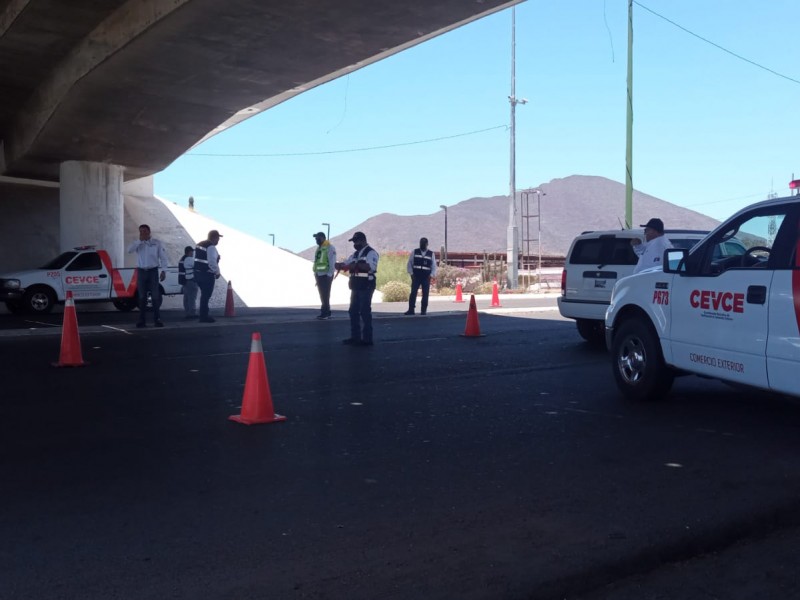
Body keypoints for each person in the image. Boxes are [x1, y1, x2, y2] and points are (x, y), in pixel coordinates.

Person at [335, 231, 379, 346]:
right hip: (355, 285)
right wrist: (339, 265)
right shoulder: (355, 255)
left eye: (356, 241)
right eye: (353, 242)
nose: (354, 244)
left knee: (364, 311)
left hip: (366, 285)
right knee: (353, 311)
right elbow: (346, 263)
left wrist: (356, 266)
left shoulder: (371, 253)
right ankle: (355, 337)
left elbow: (371, 267)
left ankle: (367, 339)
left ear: (363, 240)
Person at [127, 224, 169, 328]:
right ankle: (142, 321)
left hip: (153, 271)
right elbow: (129, 250)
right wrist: (139, 241)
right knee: (141, 297)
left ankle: (157, 320)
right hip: (141, 271)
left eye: (145, 231)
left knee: (155, 296)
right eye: (141, 232)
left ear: (149, 232)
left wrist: (164, 271)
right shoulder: (137, 244)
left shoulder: (156, 243)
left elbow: (163, 257)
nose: (143, 233)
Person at [194, 230, 223, 323]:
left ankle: (203, 314)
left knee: (204, 295)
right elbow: (211, 261)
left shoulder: (199, 244)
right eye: (218, 238)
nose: (218, 240)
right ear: (214, 238)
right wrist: (217, 272)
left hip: (197, 273)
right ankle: (204, 316)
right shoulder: (211, 247)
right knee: (206, 296)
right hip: (207, 274)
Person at [404, 237, 437, 315]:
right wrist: (411, 274)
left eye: (424, 243)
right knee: (413, 293)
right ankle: (411, 310)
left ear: (427, 244)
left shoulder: (431, 254)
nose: (422, 245)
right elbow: (409, 264)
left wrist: (431, 275)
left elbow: (434, 266)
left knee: (425, 294)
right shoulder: (414, 252)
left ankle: (423, 310)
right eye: (421, 243)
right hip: (416, 276)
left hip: (426, 277)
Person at [312, 231, 337, 320]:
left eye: (317, 238)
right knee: (322, 294)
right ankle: (325, 311)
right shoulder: (319, 248)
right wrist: (315, 273)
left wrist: (329, 274)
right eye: (316, 238)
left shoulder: (330, 247)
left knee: (325, 294)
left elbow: (332, 261)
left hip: (326, 275)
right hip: (319, 274)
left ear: (323, 238)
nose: (316, 239)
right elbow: (317, 262)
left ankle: (325, 312)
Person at [178, 245, 198, 319]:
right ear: (189, 252)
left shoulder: (182, 259)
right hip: (191, 280)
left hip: (184, 281)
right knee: (192, 297)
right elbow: (197, 266)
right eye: (192, 251)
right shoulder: (189, 259)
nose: (193, 253)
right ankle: (192, 313)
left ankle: (187, 312)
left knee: (186, 297)